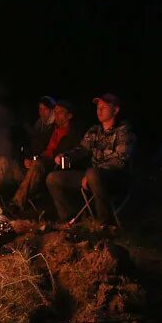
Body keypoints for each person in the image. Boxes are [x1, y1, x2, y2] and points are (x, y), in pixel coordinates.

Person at [46, 94, 136, 225]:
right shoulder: (94, 131)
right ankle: (69, 219)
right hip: (92, 176)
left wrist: (92, 173)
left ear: (115, 110)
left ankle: (104, 223)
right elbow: (82, 149)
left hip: (117, 179)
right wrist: (65, 156)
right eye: (98, 107)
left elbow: (120, 161)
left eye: (104, 107)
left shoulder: (124, 132)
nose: (99, 110)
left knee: (92, 173)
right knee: (53, 178)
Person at [8, 99, 81, 211]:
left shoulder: (74, 134)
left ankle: (16, 204)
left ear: (69, 115)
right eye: (55, 112)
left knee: (37, 164)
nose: (56, 115)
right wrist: (27, 158)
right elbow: (35, 145)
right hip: (35, 167)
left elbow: (72, 155)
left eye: (60, 112)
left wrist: (43, 160)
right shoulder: (52, 129)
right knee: (2, 161)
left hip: (51, 169)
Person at [0, 96, 57, 200]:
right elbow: (26, 148)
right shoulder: (38, 125)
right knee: (1, 160)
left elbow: (50, 152)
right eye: (40, 109)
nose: (42, 112)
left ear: (52, 110)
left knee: (35, 165)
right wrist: (22, 161)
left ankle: (16, 204)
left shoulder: (56, 128)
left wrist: (35, 160)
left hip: (39, 170)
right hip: (25, 168)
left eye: (45, 109)